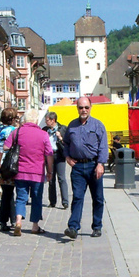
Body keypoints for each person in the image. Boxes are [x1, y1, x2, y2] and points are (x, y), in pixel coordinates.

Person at [0, 109, 52, 236]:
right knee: (36, 199)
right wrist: (50, 171)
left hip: (20, 171)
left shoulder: (17, 132)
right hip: (37, 172)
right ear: (36, 120)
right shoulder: (43, 134)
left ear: (24, 120)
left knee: (21, 198)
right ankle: (35, 226)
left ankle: (18, 221)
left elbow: (5, 147)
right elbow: (49, 154)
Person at [64, 96, 108, 239]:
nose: (83, 110)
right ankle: (73, 227)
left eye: (86, 107)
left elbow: (103, 146)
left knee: (98, 198)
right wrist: (67, 157)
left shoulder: (98, 125)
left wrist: (100, 164)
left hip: (93, 165)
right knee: (77, 197)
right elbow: (65, 144)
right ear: (77, 108)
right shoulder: (71, 126)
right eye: (81, 107)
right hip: (77, 167)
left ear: (91, 108)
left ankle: (97, 227)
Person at [0, 107, 19, 231]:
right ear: (12, 119)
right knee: (8, 192)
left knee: (7, 191)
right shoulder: (13, 130)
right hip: (8, 163)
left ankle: (12, 219)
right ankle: (2, 220)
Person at [43, 111, 68, 209]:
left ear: (53, 120)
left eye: (47, 120)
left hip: (59, 155)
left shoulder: (62, 128)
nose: (46, 122)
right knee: (51, 178)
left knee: (61, 178)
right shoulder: (45, 130)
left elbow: (67, 143)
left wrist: (60, 137)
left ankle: (65, 201)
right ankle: (52, 201)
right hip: (49, 155)